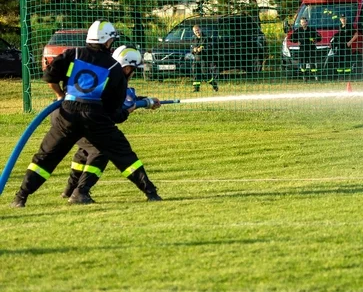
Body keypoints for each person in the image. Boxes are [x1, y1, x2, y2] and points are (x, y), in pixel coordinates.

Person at [10, 20, 162, 208]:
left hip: (66, 114)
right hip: (94, 117)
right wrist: (125, 112)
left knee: (46, 157)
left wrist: (60, 95)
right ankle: (151, 192)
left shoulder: (72, 53)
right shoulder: (114, 68)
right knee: (122, 153)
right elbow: (113, 111)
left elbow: (49, 76)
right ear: (107, 42)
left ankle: (20, 197)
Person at [60, 46, 162, 204]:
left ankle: (70, 190)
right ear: (127, 68)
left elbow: (123, 98)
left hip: (69, 119)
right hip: (89, 120)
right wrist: (130, 110)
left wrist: (146, 101)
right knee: (113, 152)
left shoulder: (105, 73)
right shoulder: (116, 80)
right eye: (133, 69)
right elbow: (117, 113)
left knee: (85, 151)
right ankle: (150, 191)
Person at [289, 17, 321, 81]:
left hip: (311, 49)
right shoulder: (298, 30)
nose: (304, 23)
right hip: (302, 49)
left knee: (312, 63)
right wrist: (296, 41)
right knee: (303, 63)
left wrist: (315, 40)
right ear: (300, 23)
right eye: (302, 22)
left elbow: (319, 38)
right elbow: (291, 38)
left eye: (305, 22)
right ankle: (304, 76)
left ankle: (315, 76)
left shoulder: (311, 30)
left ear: (307, 22)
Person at [191, 24, 218, 93]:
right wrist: (194, 50)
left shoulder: (207, 38)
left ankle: (214, 85)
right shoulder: (193, 39)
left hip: (204, 59)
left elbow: (211, 48)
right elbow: (191, 49)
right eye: (195, 31)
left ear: (200, 30)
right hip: (196, 59)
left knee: (205, 74)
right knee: (195, 74)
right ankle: (196, 88)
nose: (197, 32)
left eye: (198, 30)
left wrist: (202, 49)